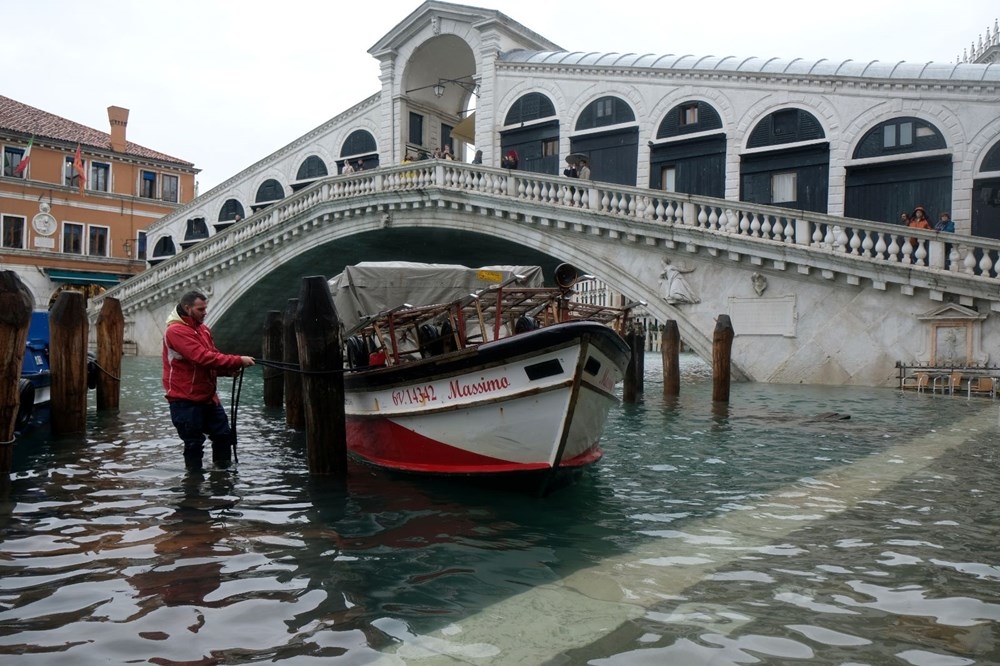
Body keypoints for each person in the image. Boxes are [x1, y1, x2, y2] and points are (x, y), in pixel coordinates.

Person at [162, 290, 254, 470]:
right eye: (200, 309)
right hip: (185, 400)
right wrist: (237, 360)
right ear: (187, 308)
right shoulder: (175, 331)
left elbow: (212, 357)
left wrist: (228, 371)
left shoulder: (203, 329)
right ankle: (194, 488)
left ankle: (221, 481)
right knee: (194, 443)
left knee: (224, 436)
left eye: (205, 308)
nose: (205, 312)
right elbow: (202, 357)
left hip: (207, 397)